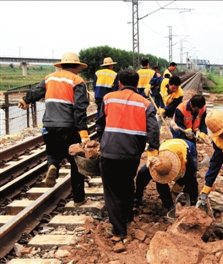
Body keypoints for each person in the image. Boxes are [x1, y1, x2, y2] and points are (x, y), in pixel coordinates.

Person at [96, 69, 160, 244]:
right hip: (131, 154)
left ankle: (119, 230)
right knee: (126, 184)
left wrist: (102, 142)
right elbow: (153, 129)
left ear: (120, 83)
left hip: (109, 152)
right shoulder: (145, 104)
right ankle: (128, 216)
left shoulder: (108, 98)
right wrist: (153, 149)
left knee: (111, 191)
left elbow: (100, 124)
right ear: (137, 84)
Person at [18, 52, 89, 206]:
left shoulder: (49, 78)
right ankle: (78, 199)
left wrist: (25, 99)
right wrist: (83, 132)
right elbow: (79, 109)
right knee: (77, 162)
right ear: (76, 66)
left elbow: (36, 92)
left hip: (49, 125)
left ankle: (53, 165)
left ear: (62, 65)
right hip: (69, 127)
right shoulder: (77, 81)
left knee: (53, 151)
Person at [134, 138, 198, 212]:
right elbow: (160, 182)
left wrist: (176, 189)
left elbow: (190, 173)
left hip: (186, 147)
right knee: (142, 174)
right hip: (166, 148)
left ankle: (194, 201)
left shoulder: (185, 158)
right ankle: (138, 196)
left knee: (190, 178)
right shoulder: (156, 162)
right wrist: (169, 206)